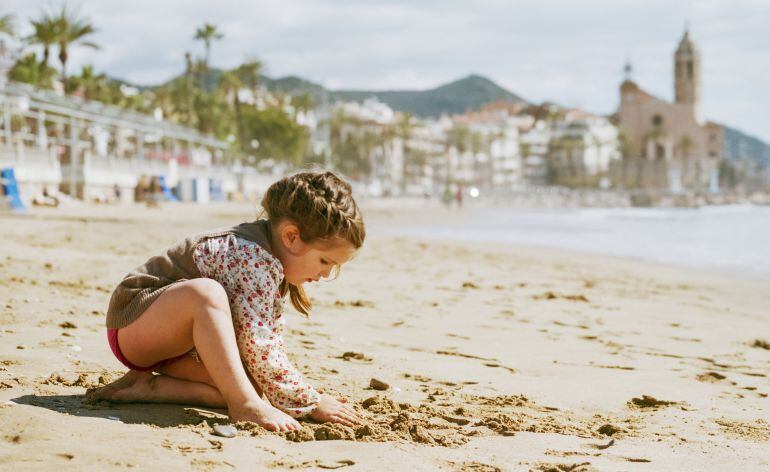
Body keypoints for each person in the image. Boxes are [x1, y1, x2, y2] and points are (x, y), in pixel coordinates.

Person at [87, 171, 365, 432]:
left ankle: (146, 387)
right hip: (135, 325)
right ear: (291, 236)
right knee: (206, 295)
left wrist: (292, 394)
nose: (327, 273)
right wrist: (310, 401)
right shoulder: (249, 256)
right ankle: (243, 407)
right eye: (324, 261)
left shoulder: (270, 261)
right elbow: (259, 345)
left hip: (175, 344)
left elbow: (266, 342)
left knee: (247, 383)